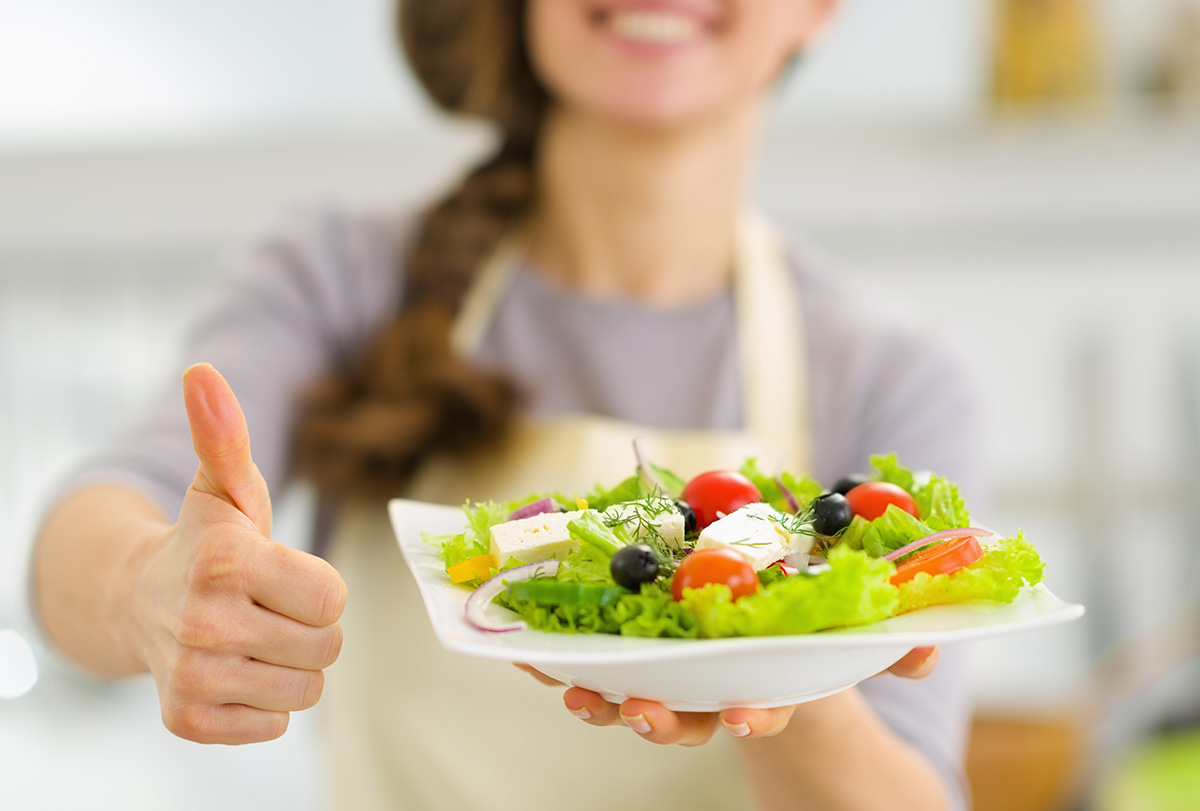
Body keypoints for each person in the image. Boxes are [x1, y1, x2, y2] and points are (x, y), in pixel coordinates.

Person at [31, 1, 982, 809]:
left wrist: (773, 642)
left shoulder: (890, 374)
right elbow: (87, 535)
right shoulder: (342, 275)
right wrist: (145, 591)